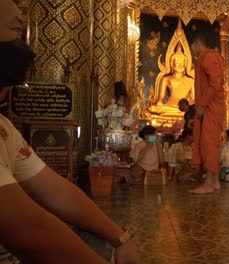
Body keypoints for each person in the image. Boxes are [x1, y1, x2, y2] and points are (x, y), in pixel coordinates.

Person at [0, 1, 142, 262]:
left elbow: (57, 192)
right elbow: (29, 231)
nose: (21, 16)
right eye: (14, 33)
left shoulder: (4, 128)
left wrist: (120, 237)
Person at [189, 32, 225, 194]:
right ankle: (214, 181)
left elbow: (215, 83)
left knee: (210, 143)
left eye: (192, 46)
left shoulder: (208, 57)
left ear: (197, 43)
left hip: (211, 106)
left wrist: (202, 104)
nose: (191, 50)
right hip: (207, 106)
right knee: (206, 143)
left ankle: (210, 183)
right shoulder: (204, 58)